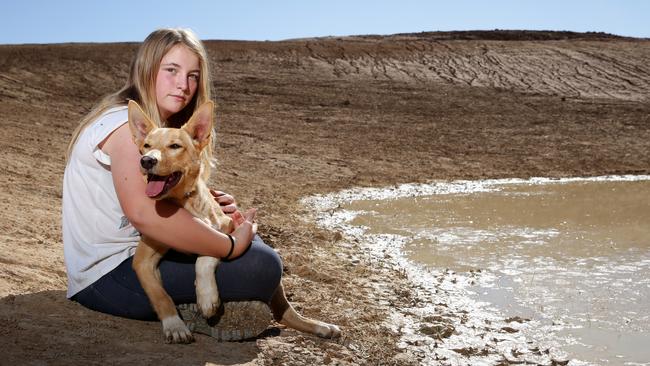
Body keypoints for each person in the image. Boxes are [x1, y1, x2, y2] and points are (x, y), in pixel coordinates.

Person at [62, 28, 282, 341]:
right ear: (146, 69)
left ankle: (208, 304)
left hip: (135, 261)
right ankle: (195, 312)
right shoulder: (124, 127)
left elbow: (160, 198)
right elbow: (143, 214)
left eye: (193, 75)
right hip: (110, 277)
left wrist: (207, 203)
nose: (184, 85)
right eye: (172, 70)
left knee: (248, 240)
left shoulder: (157, 131)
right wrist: (230, 246)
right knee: (261, 266)